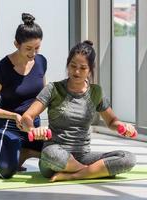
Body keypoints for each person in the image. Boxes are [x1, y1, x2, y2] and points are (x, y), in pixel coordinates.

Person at [21, 40, 137, 182]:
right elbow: (27, 116)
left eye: (83, 68)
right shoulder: (53, 89)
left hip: (83, 156)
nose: (76, 71)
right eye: (73, 66)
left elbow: (112, 121)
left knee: (128, 158)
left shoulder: (96, 91)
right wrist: (32, 129)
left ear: (90, 69)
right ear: (67, 65)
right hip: (56, 156)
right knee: (50, 154)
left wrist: (123, 126)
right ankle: (93, 172)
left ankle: (74, 174)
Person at [0, 13, 47, 179]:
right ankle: (14, 151)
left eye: (37, 48)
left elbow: (44, 96)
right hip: (8, 127)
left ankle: (25, 151)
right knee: (5, 171)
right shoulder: (0, 69)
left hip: (33, 127)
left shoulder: (41, 62)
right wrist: (15, 116)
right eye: (28, 48)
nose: (33, 53)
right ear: (16, 44)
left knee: (58, 162)